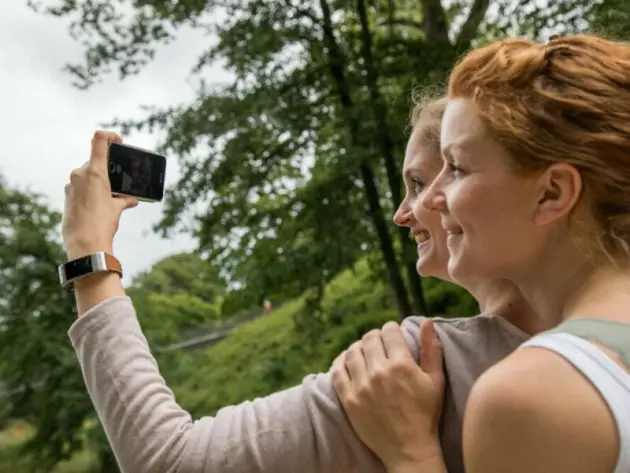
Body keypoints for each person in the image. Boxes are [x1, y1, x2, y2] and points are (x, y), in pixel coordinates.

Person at [60, 95, 537, 473]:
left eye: (419, 182)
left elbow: (167, 461)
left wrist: (89, 254)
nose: (402, 213)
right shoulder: (588, 343)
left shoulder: (412, 365)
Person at [332, 34, 630, 473]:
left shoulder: (530, 397)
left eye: (456, 168)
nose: (434, 199)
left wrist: (410, 454)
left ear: (552, 192)